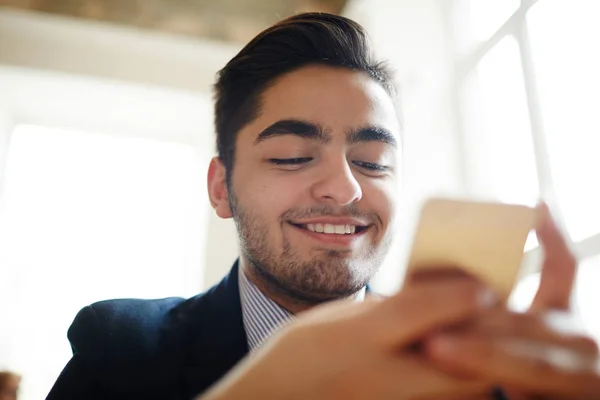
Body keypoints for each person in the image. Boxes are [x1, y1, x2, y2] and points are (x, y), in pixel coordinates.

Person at [47, 12, 600, 400]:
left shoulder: (476, 369)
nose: (346, 189)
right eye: (291, 156)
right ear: (222, 189)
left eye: (374, 161)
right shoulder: (119, 348)